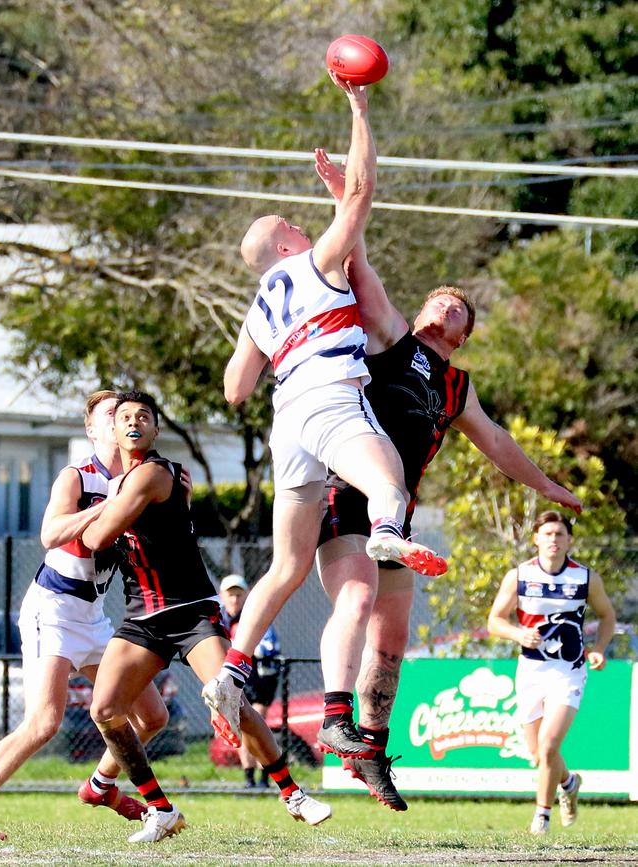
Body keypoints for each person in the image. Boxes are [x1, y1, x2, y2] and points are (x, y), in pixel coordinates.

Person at [310, 149, 584, 810]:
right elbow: (356, 265)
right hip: (349, 489)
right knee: (353, 601)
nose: (443, 303)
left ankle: (370, 750)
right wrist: (345, 201)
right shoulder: (391, 338)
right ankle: (335, 714)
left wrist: (544, 485)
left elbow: (497, 440)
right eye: (437, 297)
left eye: (455, 305)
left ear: (463, 332)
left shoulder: (457, 385)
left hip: (396, 515)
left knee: (394, 637)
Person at [203, 72, 447, 754]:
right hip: (330, 393)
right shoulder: (315, 261)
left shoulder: (258, 304)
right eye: (291, 225)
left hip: (288, 422)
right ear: (286, 245)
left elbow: (233, 389)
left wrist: (266, 342)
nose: (302, 225)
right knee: (390, 482)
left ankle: (231, 668)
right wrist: (359, 110)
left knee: (285, 565)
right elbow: (364, 192)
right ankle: (387, 533)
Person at [82, 391, 331, 844]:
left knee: (230, 700)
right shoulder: (121, 482)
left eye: (144, 417)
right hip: (142, 615)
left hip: (191, 610)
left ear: (157, 430)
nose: (134, 422)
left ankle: (293, 793)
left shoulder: (155, 474)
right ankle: (160, 808)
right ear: (112, 430)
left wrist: (74, 517)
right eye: (124, 418)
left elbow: (98, 536)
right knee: (104, 709)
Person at [0, 390, 169, 843]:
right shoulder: (77, 476)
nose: (119, 420)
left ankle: (100, 786)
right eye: (109, 414)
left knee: (152, 716)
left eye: (126, 414)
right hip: (52, 608)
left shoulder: (139, 478)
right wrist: (113, 505)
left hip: (94, 616)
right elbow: (50, 532)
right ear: (91, 429)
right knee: (43, 723)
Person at [488, 511, 615, 835]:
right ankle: (569, 782)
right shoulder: (519, 575)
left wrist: (599, 648)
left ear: (569, 540)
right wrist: (518, 634)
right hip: (531, 670)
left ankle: (541, 818)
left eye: (559, 534)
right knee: (538, 754)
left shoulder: (585, 578)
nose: (553, 540)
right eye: (547, 534)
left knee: (548, 745)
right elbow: (495, 622)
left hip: (568, 670)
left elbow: (607, 617)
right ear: (536, 539)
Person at [218, 574, 281, 788]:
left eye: (238, 594)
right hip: (236, 676)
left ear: (245, 596)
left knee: (256, 723)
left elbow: (267, 647)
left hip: (260, 676)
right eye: (230, 595)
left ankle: (265, 777)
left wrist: (237, 645)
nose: (235, 599)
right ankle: (249, 779)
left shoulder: (254, 616)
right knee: (242, 727)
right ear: (222, 597)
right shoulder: (219, 619)